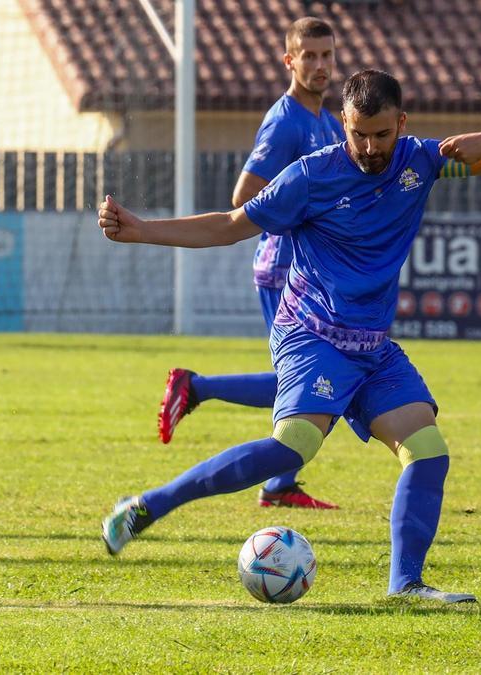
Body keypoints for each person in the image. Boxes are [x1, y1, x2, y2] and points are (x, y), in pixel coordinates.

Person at [100, 69, 481, 603]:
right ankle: (147, 507)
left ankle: (406, 586)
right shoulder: (310, 177)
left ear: (401, 123)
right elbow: (229, 224)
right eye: (358, 134)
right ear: (343, 125)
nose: (370, 147)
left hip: (370, 344)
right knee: (293, 449)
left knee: (427, 450)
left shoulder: (420, 160)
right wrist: (141, 229)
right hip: (313, 333)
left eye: (381, 134)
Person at [159, 16, 344, 510]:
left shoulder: (326, 120)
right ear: (290, 60)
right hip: (285, 270)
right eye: (310, 56)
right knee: (311, 382)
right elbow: (244, 195)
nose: (321, 65)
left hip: (313, 272)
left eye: (327, 55)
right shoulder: (286, 121)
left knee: (311, 381)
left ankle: (279, 481)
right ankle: (197, 389)